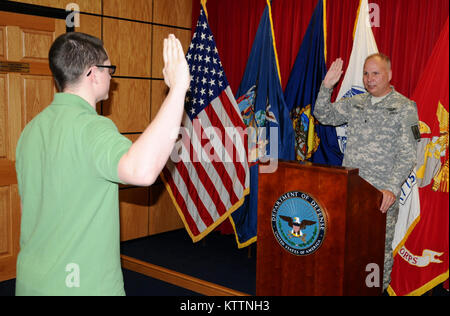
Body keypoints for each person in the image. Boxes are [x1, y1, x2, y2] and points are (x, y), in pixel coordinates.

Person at [15, 32, 190, 296]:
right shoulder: (93, 127)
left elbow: (28, 206)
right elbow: (142, 170)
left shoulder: (29, 130)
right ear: (93, 73)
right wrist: (178, 89)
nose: (112, 76)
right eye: (109, 69)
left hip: (31, 283)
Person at [313, 53, 420, 292]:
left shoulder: (405, 107)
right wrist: (326, 87)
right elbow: (323, 115)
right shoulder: (356, 102)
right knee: (346, 249)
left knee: (376, 254)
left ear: (389, 75)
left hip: (379, 197)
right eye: (366, 73)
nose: (369, 79)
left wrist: (392, 188)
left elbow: (408, 154)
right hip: (350, 192)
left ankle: (374, 291)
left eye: (376, 73)